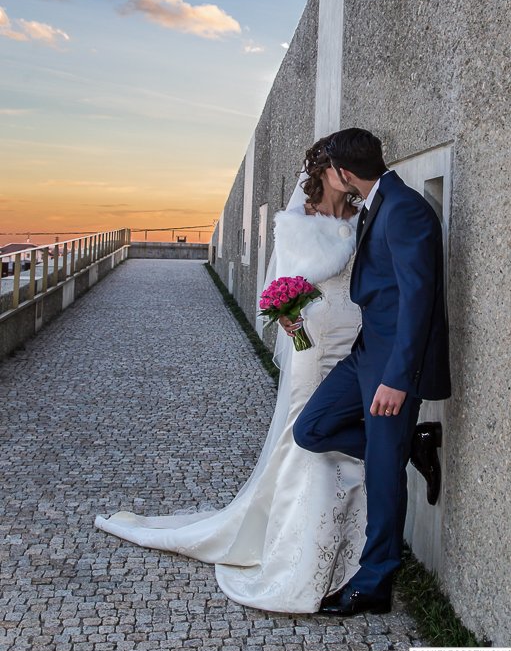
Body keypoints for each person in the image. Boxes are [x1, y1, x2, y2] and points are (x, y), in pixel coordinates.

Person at [94, 136, 369, 613]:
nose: (347, 178)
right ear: (325, 172)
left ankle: (350, 540)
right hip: (315, 344)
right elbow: (289, 279)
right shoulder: (299, 222)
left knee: (345, 429)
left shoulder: (364, 215)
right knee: (305, 434)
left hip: (356, 339)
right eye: (340, 170)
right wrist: (289, 310)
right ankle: (300, 550)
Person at [293, 127, 451, 616]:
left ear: (343, 171)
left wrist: (399, 379)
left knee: (383, 475)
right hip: (366, 352)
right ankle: (412, 446)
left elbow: (418, 301)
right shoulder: (378, 201)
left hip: (390, 366)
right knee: (312, 428)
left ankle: (375, 582)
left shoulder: (404, 209)